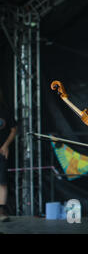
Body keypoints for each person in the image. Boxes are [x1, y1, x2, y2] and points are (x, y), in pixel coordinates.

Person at [0, 88, 17, 223]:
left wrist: (6, 145)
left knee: (2, 181)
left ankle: (1, 210)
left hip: (2, 151)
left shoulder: (5, 111)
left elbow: (13, 130)